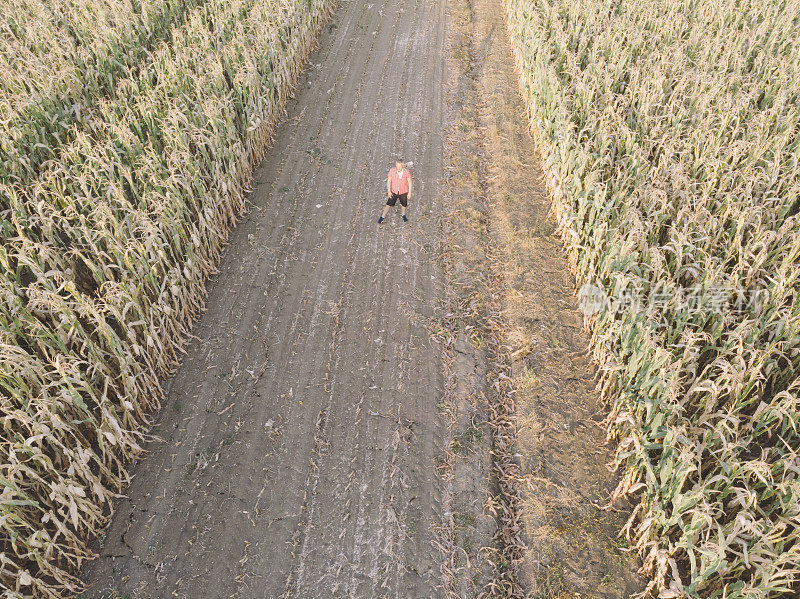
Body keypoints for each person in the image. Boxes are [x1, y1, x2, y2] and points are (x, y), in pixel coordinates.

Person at [379, 158, 412, 224]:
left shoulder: (406, 172)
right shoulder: (392, 171)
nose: (398, 168)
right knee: (388, 205)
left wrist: (409, 193)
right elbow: (389, 181)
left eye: (399, 166)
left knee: (404, 205)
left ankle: (403, 214)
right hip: (394, 191)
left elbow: (410, 182)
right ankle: (382, 216)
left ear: (402, 165)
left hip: (403, 192)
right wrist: (389, 192)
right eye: (397, 166)